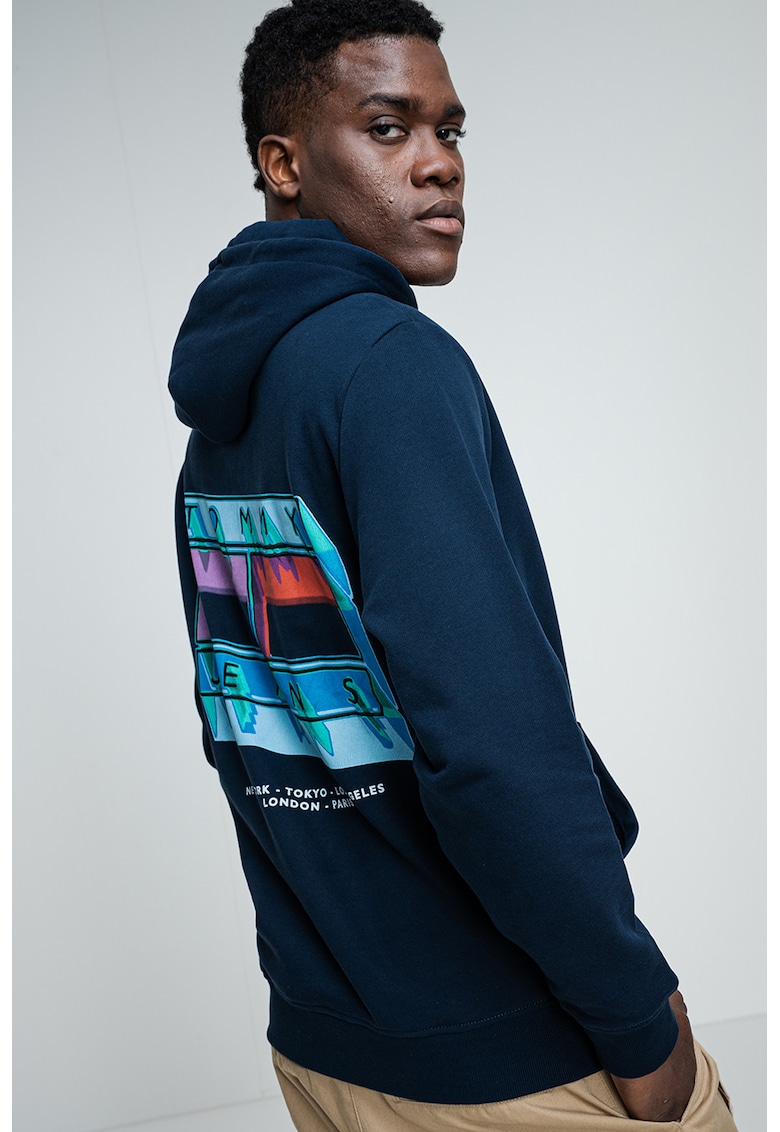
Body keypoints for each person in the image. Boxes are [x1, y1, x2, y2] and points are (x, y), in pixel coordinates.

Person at [168, 1, 738, 1127]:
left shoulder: (233, 404)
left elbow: (243, 726)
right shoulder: (391, 364)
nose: (438, 165)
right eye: (387, 128)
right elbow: (489, 743)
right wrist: (635, 1017)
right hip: (502, 1057)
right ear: (283, 164)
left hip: (328, 1044)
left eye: (450, 129)